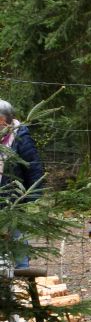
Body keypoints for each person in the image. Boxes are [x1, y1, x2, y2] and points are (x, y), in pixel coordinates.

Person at [1, 100, 45, 269]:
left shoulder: (21, 138)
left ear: (7, 121)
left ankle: (22, 276)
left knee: (17, 240)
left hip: (14, 201)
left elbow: (33, 168)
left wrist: (31, 197)